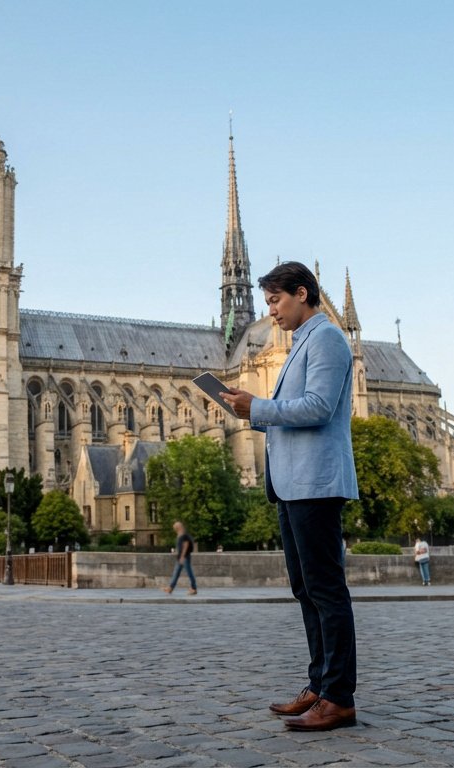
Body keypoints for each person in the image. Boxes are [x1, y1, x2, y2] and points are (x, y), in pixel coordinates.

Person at [221, 261, 360, 732]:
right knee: (306, 589)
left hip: (315, 482)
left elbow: (319, 407)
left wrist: (257, 406)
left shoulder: (327, 339)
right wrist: (249, 409)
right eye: (267, 304)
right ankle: (320, 684)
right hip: (292, 483)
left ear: (302, 294)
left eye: (276, 301)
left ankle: (339, 697)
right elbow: (292, 410)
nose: (271, 312)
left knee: (326, 589)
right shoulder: (302, 342)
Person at [161, 520, 197, 595]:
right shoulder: (180, 535)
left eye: (176, 527)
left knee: (189, 573)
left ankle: (193, 588)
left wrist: (182, 556)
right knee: (176, 573)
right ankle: (170, 588)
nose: (175, 529)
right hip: (181, 557)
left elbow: (186, 545)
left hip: (184, 557)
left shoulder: (184, 535)